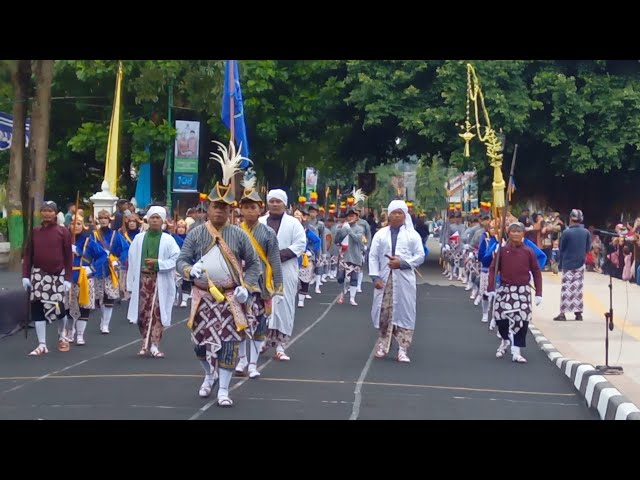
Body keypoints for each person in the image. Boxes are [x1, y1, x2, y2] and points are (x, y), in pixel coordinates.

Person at [177, 140, 261, 406]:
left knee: (229, 344)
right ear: (208, 208)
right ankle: (208, 374)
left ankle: (224, 389)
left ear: (229, 210)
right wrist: (190, 270)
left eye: (225, 207)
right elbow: (181, 260)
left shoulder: (238, 234)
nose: (220, 211)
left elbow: (255, 264)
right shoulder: (197, 233)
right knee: (200, 345)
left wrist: (246, 286)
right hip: (202, 295)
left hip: (230, 297)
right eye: (216, 206)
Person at [235, 174, 284, 378]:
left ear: (259, 209)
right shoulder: (235, 231)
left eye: (253, 207)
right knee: (239, 324)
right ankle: (241, 361)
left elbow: (274, 260)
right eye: (245, 207)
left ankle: (253, 364)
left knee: (259, 326)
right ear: (241, 210)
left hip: (262, 285)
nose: (249, 211)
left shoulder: (268, 233)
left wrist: (277, 286)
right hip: (240, 285)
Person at [368, 200, 425, 362]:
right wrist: (375, 277)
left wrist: (403, 263)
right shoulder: (380, 234)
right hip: (385, 280)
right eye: (394, 212)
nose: (397, 215)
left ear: (405, 215)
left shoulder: (412, 235)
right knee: (384, 313)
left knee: (405, 312)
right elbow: (372, 256)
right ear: (389, 215)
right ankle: (383, 345)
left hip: (404, 279)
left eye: (400, 212)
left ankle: (402, 348)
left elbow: (420, 256)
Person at [259, 189, 307, 361]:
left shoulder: (294, 223)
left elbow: (300, 244)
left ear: (284, 203)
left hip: (285, 270)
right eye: (271, 201)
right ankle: (262, 341)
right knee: (263, 305)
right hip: (263, 270)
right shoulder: (260, 221)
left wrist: (279, 255)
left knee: (284, 306)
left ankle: (280, 345)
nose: (274, 204)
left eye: (278, 201)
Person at [126, 206, 181, 357]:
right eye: (153, 217)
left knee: (157, 311)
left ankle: (155, 345)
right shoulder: (139, 239)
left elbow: (176, 258)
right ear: (148, 219)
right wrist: (130, 283)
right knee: (142, 312)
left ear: (163, 221)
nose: (155, 220)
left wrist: (158, 264)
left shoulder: (168, 240)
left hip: (160, 280)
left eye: (158, 218)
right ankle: (145, 340)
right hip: (142, 280)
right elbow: (131, 260)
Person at [22, 201, 73, 356]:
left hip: (57, 275)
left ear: (56, 213)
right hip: (38, 274)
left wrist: (68, 278)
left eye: (50, 211)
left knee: (59, 309)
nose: (47, 213)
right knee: (37, 308)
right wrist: (25, 275)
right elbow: (28, 255)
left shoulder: (63, 232)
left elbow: (68, 257)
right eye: (44, 210)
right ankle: (42, 344)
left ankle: (62, 333)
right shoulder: (35, 231)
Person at [487, 222, 542, 363]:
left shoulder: (529, 251)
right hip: (505, 289)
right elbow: (493, 269)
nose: (516, 234)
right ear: (508, 233)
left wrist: (539, 293)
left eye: (519, 231)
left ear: (523, 234)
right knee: (501, 319)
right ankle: (505, 340)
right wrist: (491, 287)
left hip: (522, 290)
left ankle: (517, 350)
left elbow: (536, 271)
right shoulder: (502, 250)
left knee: (522, 321)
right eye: (513, 231)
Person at [65, 214, 107, 345]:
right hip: (68, 277)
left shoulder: (89, 241)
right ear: (68, 225)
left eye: (78, 224)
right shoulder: (63, 241)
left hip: (84, 277)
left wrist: (92, 268)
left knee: (84, 306)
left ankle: (80, 334)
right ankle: (69, 332)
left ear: (83, 226)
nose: (75, 226)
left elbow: (102, 255)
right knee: (67, 306)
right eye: (73, 223)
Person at [554, 209, 591, 321]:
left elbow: (562, 247)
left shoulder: (566, 232)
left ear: (571, 219)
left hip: (568, 263)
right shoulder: (586, 232)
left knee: (566, 288)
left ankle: (563, 314)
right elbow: (588, 248)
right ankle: (578, 313)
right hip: (580, 263)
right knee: (578, 288)